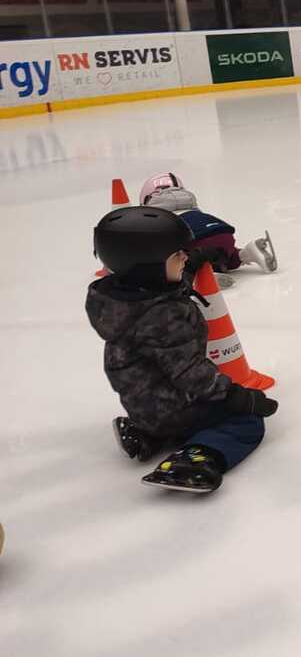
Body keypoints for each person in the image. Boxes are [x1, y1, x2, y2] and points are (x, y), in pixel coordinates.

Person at [86, 206, 278, 493]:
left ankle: (146, 435)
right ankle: (195, 458)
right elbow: (191, 373)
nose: (185, 257)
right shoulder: (162, 317)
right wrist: (238, 397)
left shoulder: (125, 299)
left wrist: (196, 260)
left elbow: (173, 284)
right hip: (173, 405)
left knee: (170, 415)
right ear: (149, 266)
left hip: (143, 402)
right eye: (178, 254)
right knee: (247, 423)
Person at [140, 173, 276, 286]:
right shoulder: (189, 200)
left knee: (174, 261)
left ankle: (202, 277)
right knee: (223, 254)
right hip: (222, 233)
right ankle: (246, 253)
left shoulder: (157, 212)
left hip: (196, 241)